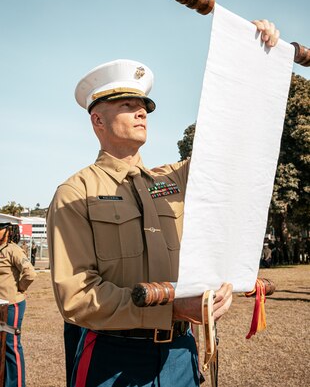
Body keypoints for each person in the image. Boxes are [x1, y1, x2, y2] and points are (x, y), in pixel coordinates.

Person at [47, 20, 279, 387]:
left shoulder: (172, 180)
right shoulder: (75, 192)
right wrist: (170, 308)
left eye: (144, 106)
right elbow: (77, 297)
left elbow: (228, 143)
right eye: (128, 104)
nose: (141, 112)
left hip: (180, 355)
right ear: (97, 119)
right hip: (113, 358)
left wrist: (249, 58)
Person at [0, 222, 36, 387]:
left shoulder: (13, 249)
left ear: (7, 231)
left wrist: (19, 288)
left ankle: (17, 384)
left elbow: (30, 273)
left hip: (11, 306)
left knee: (11, 345)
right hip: (1, 306)